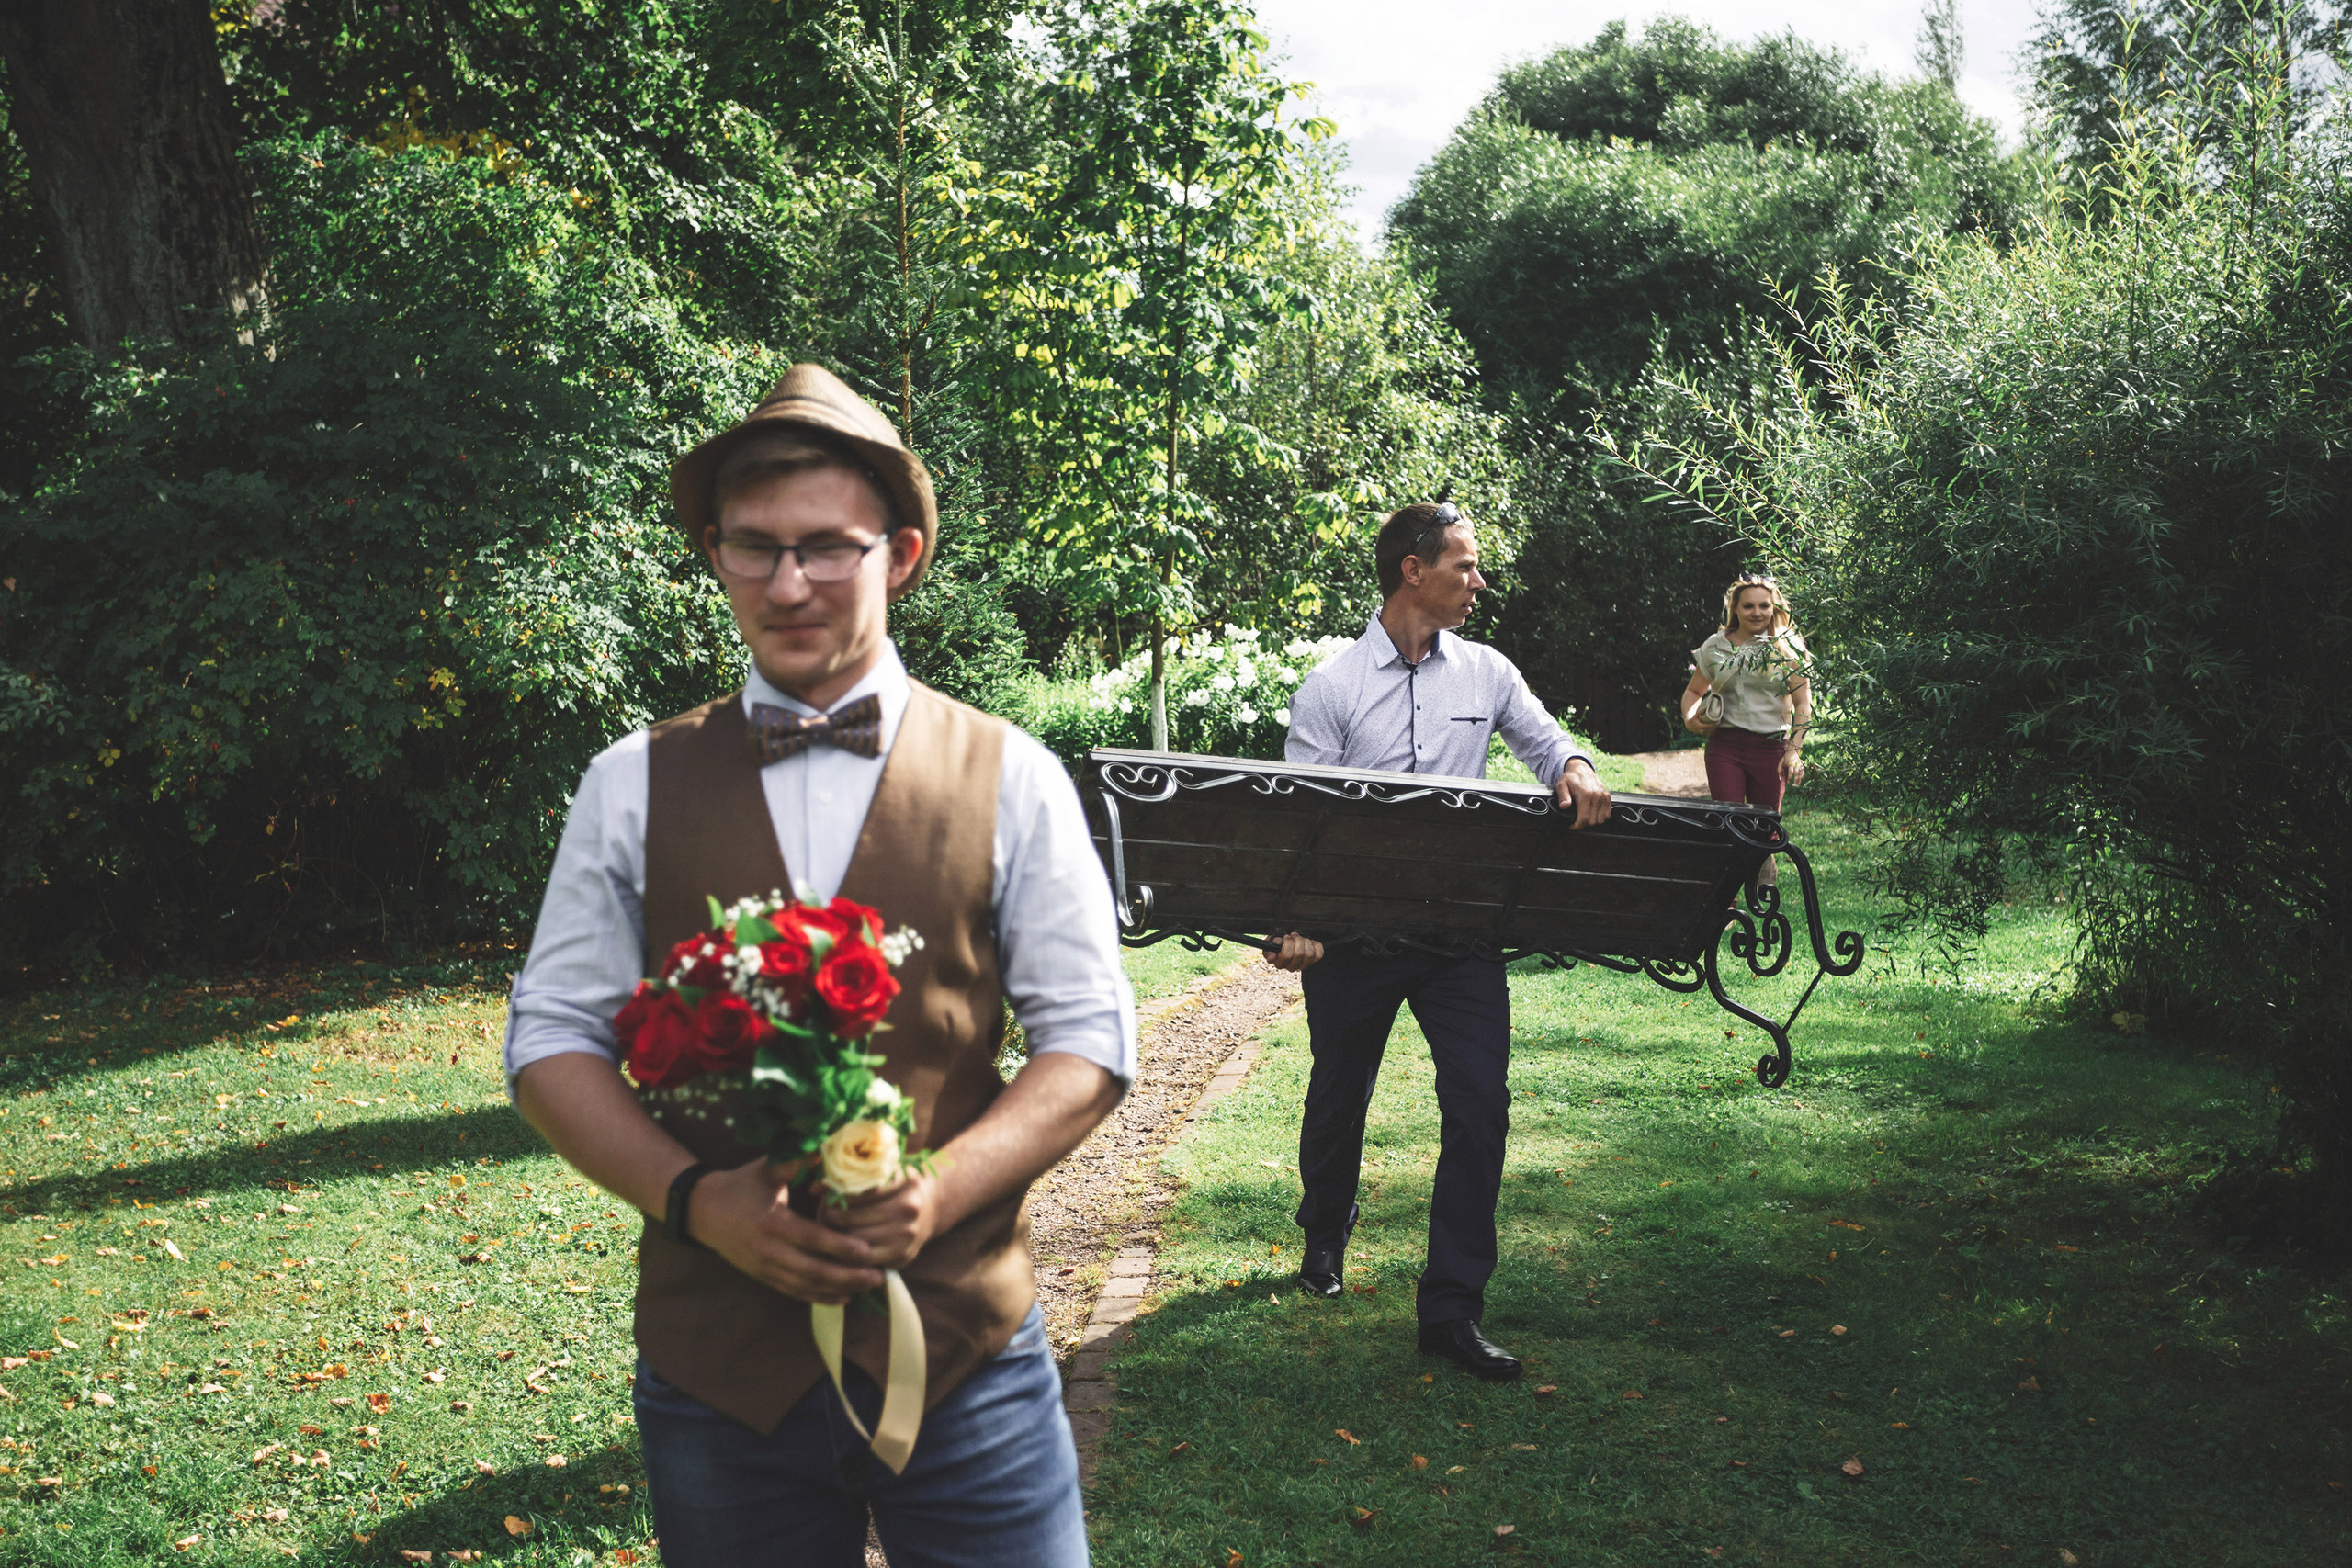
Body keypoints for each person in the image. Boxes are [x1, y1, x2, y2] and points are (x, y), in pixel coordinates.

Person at [502, 364, 1135, 1568]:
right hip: (716, 1370)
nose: (788, 583)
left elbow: (1092, 1040)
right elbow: (550, 1043)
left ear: (896, 554)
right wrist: (700, 1203)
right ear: (716, 554)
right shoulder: (626, 782)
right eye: (755, 548)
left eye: (825, 548)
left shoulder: (1013, 774)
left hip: (966, 1355)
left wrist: (933, 1196)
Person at [1265, 501, 1613, 1382]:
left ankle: (1452, 1309)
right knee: (1341, 1089)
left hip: (1459, 934)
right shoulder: (1334, 687)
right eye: (1464, 565)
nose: (1478, 581)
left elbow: (1544, 741)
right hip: (1352, 938)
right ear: (1412, 571)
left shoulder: (1488, 672)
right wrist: (1297, 924)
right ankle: (1323, 1232)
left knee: (1479, 1107)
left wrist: (1574, 766)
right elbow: (1299, 825)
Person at [1680, 573, 1811, 886]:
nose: (1756, 612)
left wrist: (1794, 751)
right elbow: (1693, 693)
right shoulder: (1715, 646)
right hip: (1725, 745)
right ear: (1735, 609)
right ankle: (1727, 899)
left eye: (1764, 606)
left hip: (1770, 748)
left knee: (1764, 827)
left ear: (1775, 607)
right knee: (1729, 822)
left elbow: (1804, 706)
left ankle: (1762, 879)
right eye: (1748, 606)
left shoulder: (1788, 649)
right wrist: (1690, 719)